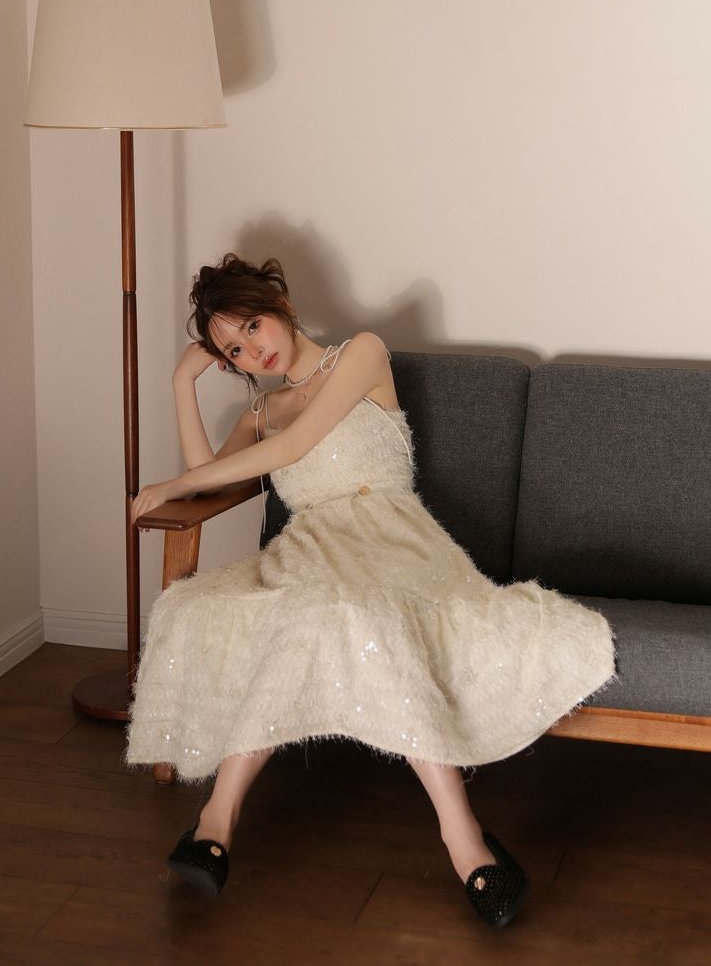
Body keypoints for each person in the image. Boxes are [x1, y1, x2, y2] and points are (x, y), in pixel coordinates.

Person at [124, 253, 617, 927]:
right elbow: (211, 474)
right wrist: (182, 379)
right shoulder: (263, 410)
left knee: (369, 610)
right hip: (312, 548)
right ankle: (216, 823)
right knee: (301, 609)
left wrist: (176, 484)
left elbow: (292, 450)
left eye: (253, 327)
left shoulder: (361, 353)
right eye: (232, 350)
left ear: (281, 306)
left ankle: (461, 837)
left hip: (394, 539)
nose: (252, 352)